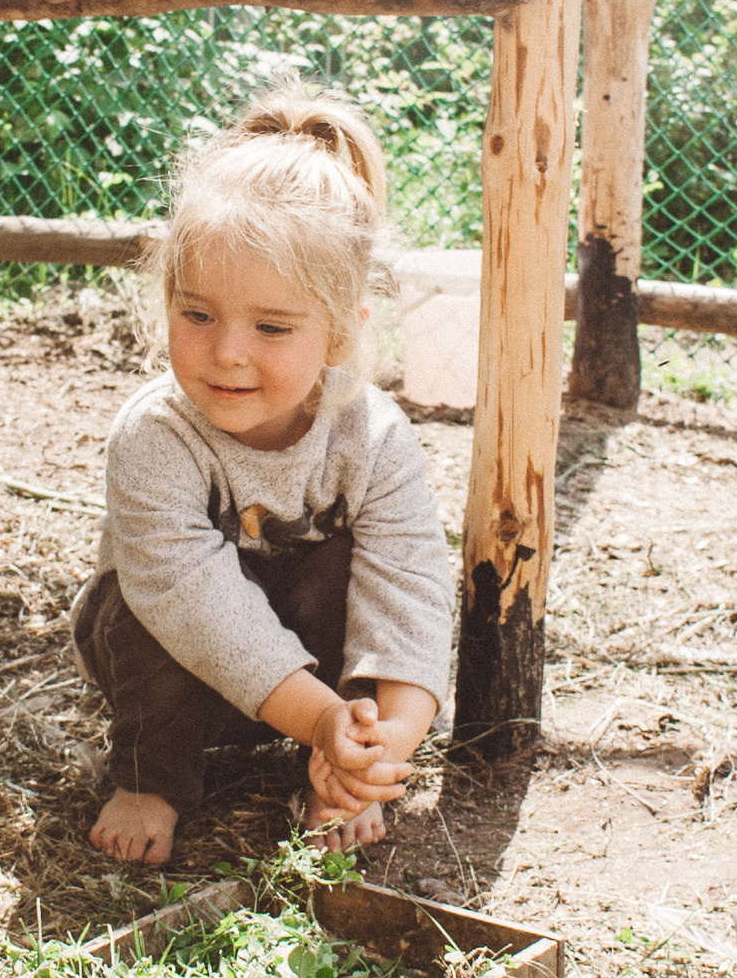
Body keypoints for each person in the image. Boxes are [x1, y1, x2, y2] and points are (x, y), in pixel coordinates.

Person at [73, 81, 453, 866]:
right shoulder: (155, 435)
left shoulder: (375, 440)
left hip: (311, 691)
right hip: (174, 665)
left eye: (272, 326)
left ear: (343, 332)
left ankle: (332, 780)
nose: (228, 352)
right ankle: (153, 778)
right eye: (198, 314)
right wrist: (317, 719)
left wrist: (370, 754)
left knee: (348, 571)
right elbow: (193, 603)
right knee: (145, 602)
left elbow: (410, 598)